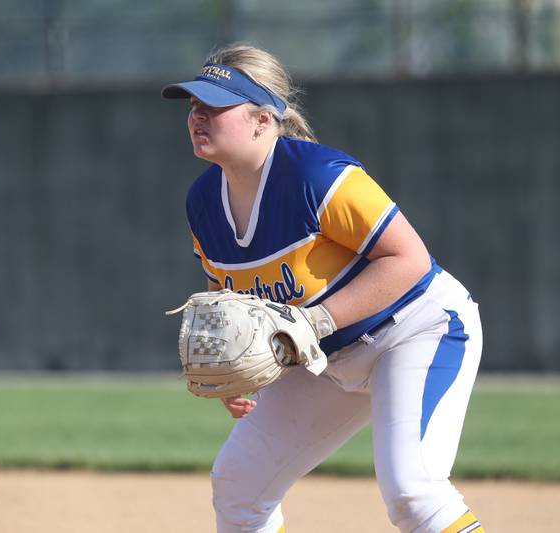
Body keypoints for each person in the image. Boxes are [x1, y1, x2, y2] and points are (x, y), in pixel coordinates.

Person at [162, 43, 485, 533]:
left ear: (262, 120)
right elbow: (228, 303)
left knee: (413, 492)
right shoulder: (203, 200)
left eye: (214, 106)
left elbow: (411, 260)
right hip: (320, 357)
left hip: (415, 330)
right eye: (193, 107)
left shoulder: (318, 175)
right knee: (239, 485)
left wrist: (315, 320)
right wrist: (237, 370)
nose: (197, 117)